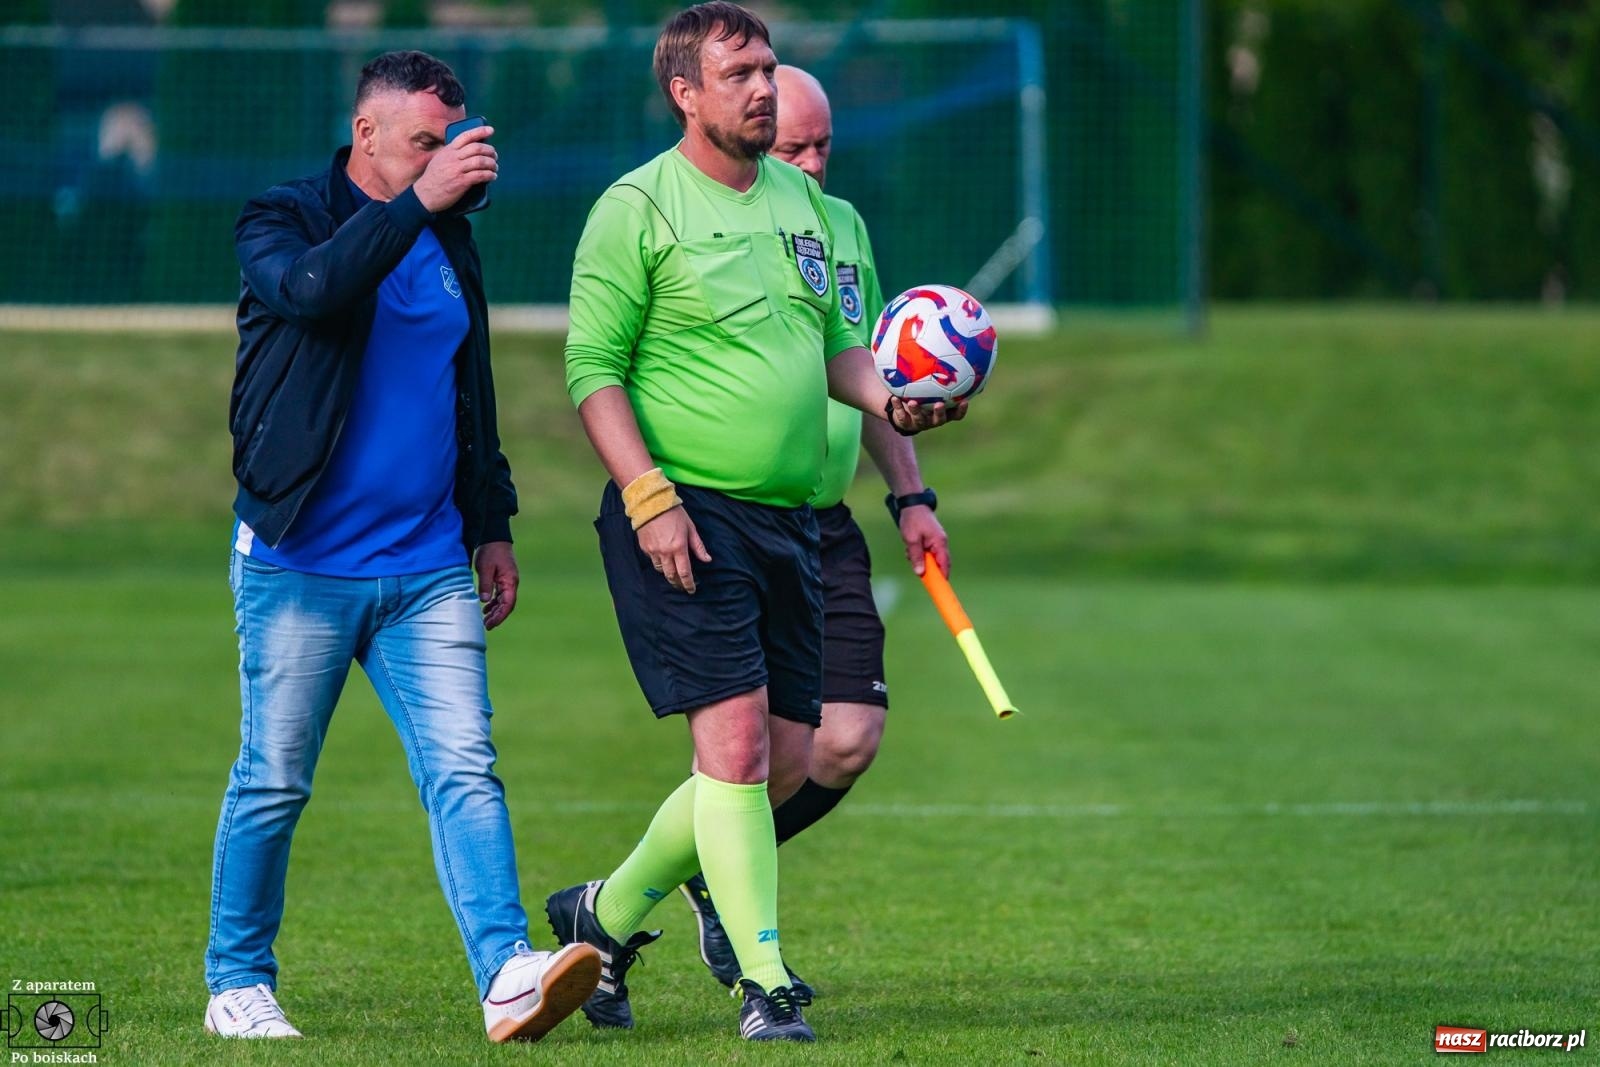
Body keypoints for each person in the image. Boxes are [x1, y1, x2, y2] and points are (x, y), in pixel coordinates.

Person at [550, 2, 963, 1044]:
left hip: (793, 521)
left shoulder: (808, 207)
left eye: (767, 68)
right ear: (683, 92)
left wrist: (896, 407)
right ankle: (764, 980)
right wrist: (649, 496)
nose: (761, 88)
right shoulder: (635, 207)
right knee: (732, 747)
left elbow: (838, 351)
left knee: (786, 751)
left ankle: (599, 915)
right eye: (736, 72)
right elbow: (591, 371)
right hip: (684, 511)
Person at [205, 50, 599, 1043]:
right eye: (428, 142)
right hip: (299, 564)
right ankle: (236, 981)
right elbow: (310, 291)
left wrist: (492, 521)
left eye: (456, 143)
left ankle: (507, 971)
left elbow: (471, 391)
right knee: (274, 775)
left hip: (427, 566)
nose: (449, 162)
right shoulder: (283, 215)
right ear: (366, 132)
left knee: (466, 764)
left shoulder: (448, 236)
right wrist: (417, 203)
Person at [676, 62, 949, 999]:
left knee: (847, 738)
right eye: (794, 145)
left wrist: (911, 497)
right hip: (730, 516)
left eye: (823, 144)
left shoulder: (844, 228)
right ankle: (710, 925)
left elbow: (864, 366)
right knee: (751, 752)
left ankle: (697, 882)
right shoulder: (709, 221)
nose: (812, 162)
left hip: (824, 522)